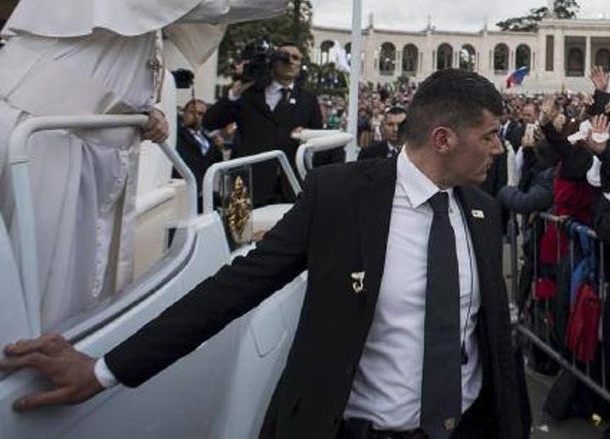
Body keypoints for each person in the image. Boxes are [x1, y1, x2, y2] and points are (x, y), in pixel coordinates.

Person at [2, 69, 532, 439]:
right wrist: (103, 371)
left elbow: (491, 340)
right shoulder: (339, 198)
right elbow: (233, 290)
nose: (498, 148)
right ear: (442, 138)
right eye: (488, 136)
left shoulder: (482, 212)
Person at [0, 0, 327, 331]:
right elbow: (207, 1)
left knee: (73, 276)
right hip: (48, 140)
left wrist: (141, 112)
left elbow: (115, 66)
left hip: (83, 142)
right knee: (37, 271)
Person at [204, 42, 328, 206]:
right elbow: (210, 122)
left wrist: (306, 135)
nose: (290, 62)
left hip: (291, 185)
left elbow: (317, 142)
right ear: (273, 61)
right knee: (243, 231)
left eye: (296, 58)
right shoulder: (249, 94)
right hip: (248, 184)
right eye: (284, 57)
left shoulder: (308, 100)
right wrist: (235, 93)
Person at [173, 98, 224, 211]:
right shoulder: (177, 134)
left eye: (201, 114)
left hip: (204, 193)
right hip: (185, 191)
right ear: (184, 114)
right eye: (192, 112)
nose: (196, 117)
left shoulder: (209, 139)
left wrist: (218, 148)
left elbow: (216, 164)